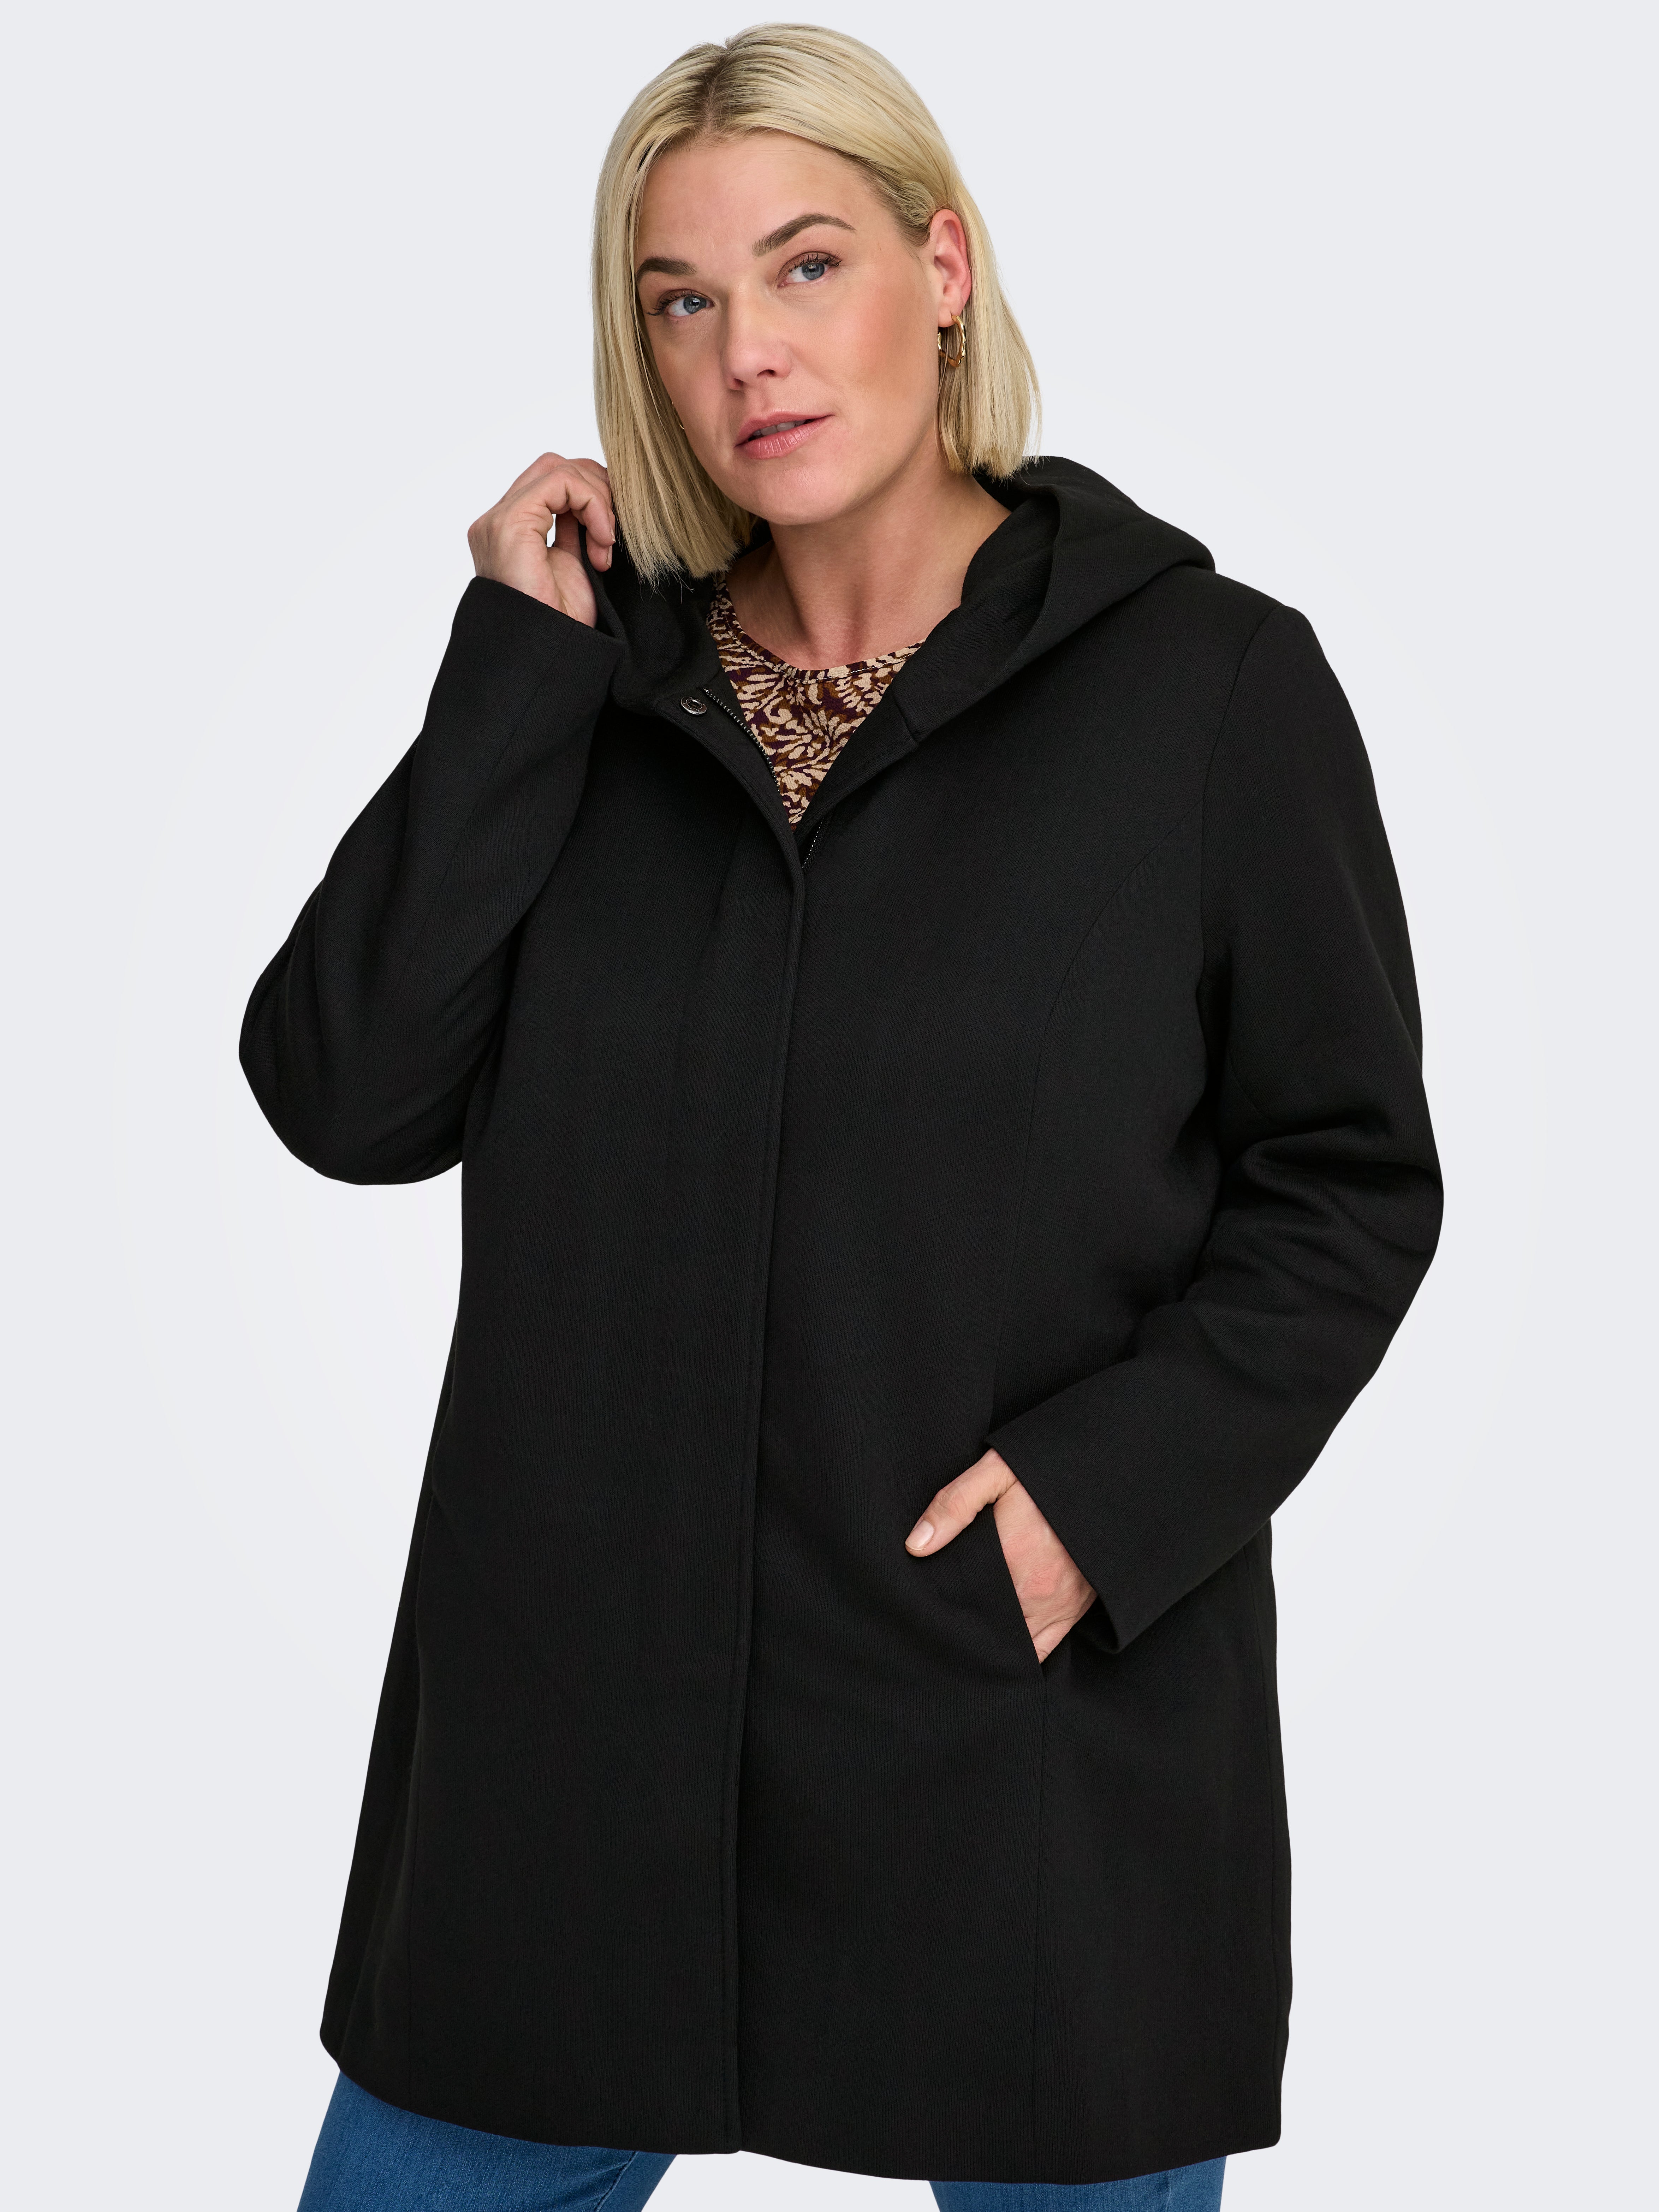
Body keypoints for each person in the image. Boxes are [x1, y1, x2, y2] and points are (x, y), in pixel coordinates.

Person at [243, 25, 1441, 2212]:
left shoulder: (1209, 691)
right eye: (681, 301)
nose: (748, 355)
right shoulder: (592, 693)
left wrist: (1097, 1506)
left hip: (1016, 1735)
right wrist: (512, 670)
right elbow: (344, 1089)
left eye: (807, 266)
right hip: (574, 1757)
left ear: (944, 268)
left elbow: (1347, 1183)